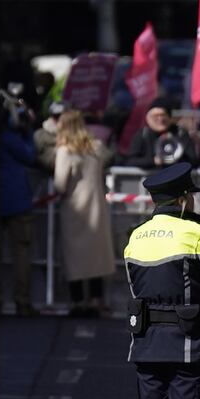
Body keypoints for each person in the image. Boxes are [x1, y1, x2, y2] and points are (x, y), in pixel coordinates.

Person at [125, 162, 200, 399]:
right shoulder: (196, 234)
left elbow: (135, 290)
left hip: (146, 344)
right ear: (183, 199)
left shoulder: (135, 236)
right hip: (188, 343)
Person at [54, 110, 115, 317]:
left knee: (74, 257)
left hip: (74, 208)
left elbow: (60, 183)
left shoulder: (65, 150)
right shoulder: (96, 147)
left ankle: (78, 301)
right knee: (95, 256)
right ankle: (96, 300)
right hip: (96, 206)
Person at [0, 90, 38, 316]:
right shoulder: (10, 138)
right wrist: (26, 131)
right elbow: (30, 155)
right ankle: (22, 302)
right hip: (17, 200)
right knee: (21, 253)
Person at [123, 97, 199, 169]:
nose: (160, 119)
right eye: (155, 116)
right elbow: (131, 162)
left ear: (170, 118)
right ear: (148, 119)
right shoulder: (142, 135)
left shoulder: (181, 133)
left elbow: (192, 160)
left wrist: (173, 161)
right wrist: (154, 161)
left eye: (163, 115)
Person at [34, 101, 66, 172]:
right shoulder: (39, 134)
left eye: (61, 115)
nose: (59, 118)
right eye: (56, 116)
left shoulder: (73, 133)